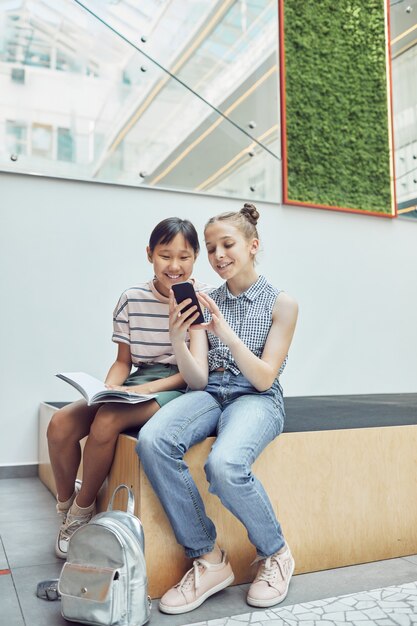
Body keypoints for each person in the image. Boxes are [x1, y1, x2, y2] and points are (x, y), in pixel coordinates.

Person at [136, 203, 298, 614]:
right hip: (212, 393)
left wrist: (222, 328)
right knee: (153, 440)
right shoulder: (205, 300)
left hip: (256, 397)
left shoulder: (282, 304)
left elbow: (264, 377)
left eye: (227, 245)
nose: (218, 255)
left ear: (253, 245)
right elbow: (199, 381)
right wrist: (179, 337)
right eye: (210, 248)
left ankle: (276, 553)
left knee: (224, 465)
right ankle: (208, 560)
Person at [47, 217, 208, 559]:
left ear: (196, 257)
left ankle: (82, 511)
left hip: (176, 386)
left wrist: (142, 391)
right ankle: (66, 505)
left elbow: (190, 373)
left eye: (184, 256)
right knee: (60, 424)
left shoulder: (201, 301)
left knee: (106, 421)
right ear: (150, 254)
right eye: (165, 255)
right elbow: (123, 361)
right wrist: (109, 388)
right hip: (137, 380)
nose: (175, 265)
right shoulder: (131, 298)